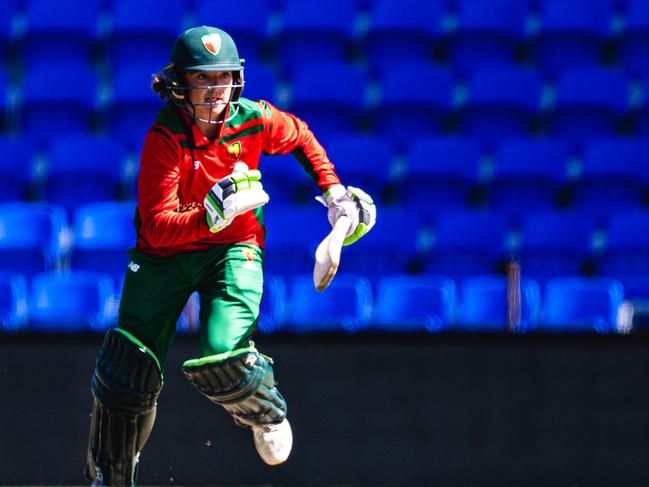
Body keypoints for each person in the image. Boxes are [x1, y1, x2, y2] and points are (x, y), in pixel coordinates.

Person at [84, 25, 376, 486]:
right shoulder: (165, 138)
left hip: (232, 250)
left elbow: (299, 135)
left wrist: (333, 189)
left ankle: (266, 411)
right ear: (180, 83)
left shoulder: (253, 118)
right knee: (127, 372)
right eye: (203, 78)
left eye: (222, 77)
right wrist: (209, 217)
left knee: (224, 355)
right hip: (164, 255)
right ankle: (111, 476)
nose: (215, 89)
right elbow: (158, 228)